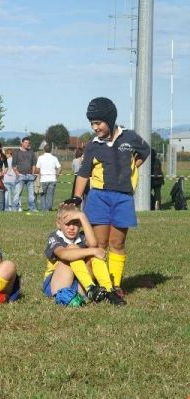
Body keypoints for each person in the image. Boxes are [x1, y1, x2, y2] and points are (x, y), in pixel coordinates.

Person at [67, 97, 151, 302]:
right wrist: (77, 198)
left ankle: (115, 285)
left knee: (117, 242)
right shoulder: (93, 146)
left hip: (123, 199)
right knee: (99, 242)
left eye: (98, 123)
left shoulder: (130, 137)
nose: (95, 127)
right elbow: (83, 174)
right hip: (99, 198)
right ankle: (94, 285)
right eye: (92, 124)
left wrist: (132, 167)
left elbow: (145, 151)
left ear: (110, 119)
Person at [42, 204, 124, 306]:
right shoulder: (55, 237)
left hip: (79, 284)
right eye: (67, 224)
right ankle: (90, 288)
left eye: (76, 223)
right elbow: (63, 254)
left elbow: (93, 244)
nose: (72, 227)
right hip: (58, 286)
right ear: (58, 224)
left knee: (94, 255)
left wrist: (82, 217)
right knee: (74, 249)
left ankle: (109, 291)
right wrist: (93, 251)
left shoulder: (82, 236)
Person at [13, 137, 38, 212]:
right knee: (17, 194)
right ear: (22, 143)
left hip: (30, 176)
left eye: (28, 143)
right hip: (20, 175)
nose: (27, 144)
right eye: (26, 143)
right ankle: (15, 209)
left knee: (31, 195)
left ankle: (32, 208)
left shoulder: (31, 152)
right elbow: (13, 165)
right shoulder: (17, 152)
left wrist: (33, 174)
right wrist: (17, 174)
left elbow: (34, 164)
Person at [36, 144, 61, 211]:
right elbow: (59, 167)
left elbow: (37, 168)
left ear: (44, 150)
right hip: (52, 178)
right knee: (50, 195)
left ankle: (44, 209)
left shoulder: (40, 157)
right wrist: (57, 175)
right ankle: (49, 208)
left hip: (43, 179)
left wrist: (39, 173)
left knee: (42, 194)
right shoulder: (54, 158)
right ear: (51, 150)